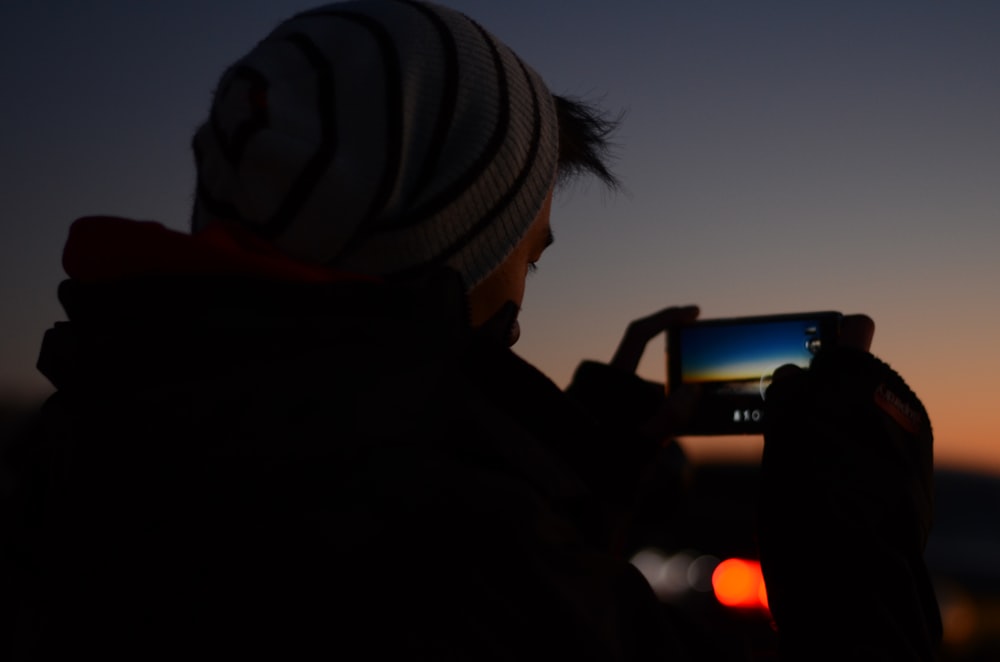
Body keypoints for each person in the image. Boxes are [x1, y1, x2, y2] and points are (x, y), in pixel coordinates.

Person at [1, 1, 940, 659]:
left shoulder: (83, 439)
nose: (521, 311)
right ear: (443, 246)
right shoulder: (453, 548)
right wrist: (854, 517)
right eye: (529, 255)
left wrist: (577, 466)